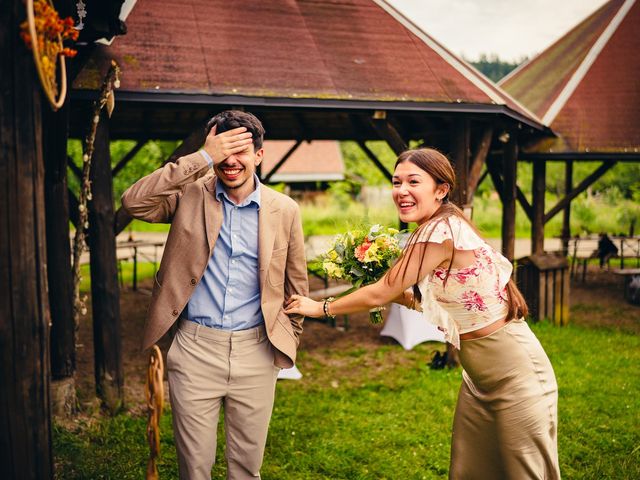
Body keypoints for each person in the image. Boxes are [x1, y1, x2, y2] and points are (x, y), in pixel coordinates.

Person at [285, 148, 560, 479]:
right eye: (396, 181)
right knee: (472, 471)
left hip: (515, 375)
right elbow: (440, 302)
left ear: (441, 190)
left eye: (413, 181)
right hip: (479, 379)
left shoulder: (440, 230)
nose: (401, 190)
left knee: (525, 472)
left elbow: (382, 291)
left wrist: (320, 307)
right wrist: (389, 291)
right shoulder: (438, 227)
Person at [122, 110, 308, 480]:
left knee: (246, 469)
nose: (230, 161)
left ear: (259, 155)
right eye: (222, 150)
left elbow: (296, 285)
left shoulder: (285, 210)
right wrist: (201, 156)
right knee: (194, 469)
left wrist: (287, 338)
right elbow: (133, 202)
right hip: (194, 350)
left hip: (257, 351)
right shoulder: (189, 194)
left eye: (240, 150)